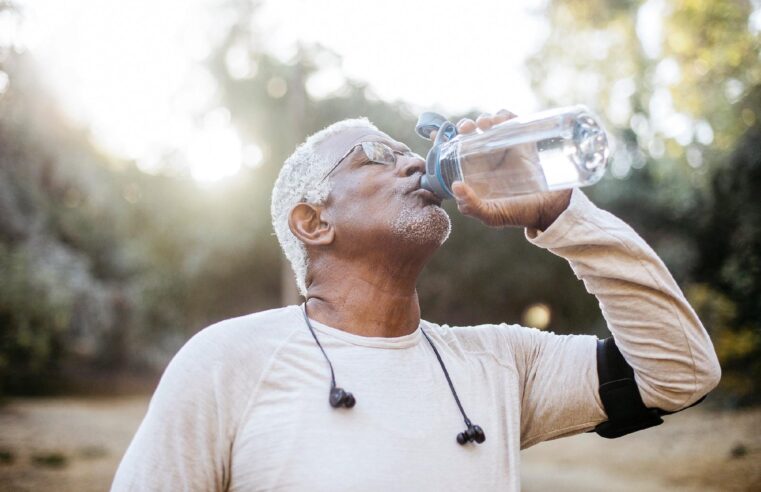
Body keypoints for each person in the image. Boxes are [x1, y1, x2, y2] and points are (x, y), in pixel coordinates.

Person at [112, 110, 721, 491]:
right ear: (313, 222)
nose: (410, 159)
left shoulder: (502, 363)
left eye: (407, 148)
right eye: (377, 154)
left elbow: (680, 371)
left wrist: (563, 215)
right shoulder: (228, 361)